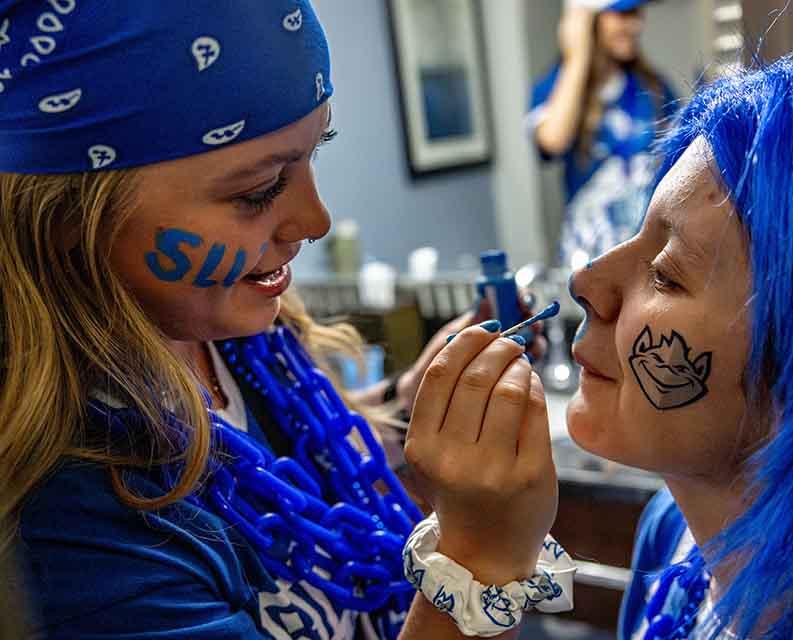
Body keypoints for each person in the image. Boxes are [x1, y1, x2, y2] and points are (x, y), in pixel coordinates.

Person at [0, 3, 542, 638]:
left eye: (316, 154)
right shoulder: (72, 521)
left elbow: (281, 471)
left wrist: (407, 409)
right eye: (257, 191)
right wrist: (482, 554)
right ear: (68, 216)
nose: (316, 221)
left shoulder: (231, 339)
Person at [403, 56, 793, 639]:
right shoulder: (673, 537)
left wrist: (476, 561)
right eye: (635, 237)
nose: (586, 282)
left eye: (666, 274)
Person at [527, 0, 678, 268]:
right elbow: (552, 141)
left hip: (645, 257)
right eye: (623, 15)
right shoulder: (556, 88)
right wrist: (577, 56)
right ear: (588, 20)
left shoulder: (653, 86)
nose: (636, 25)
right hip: (589, 260)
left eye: (637, 13)